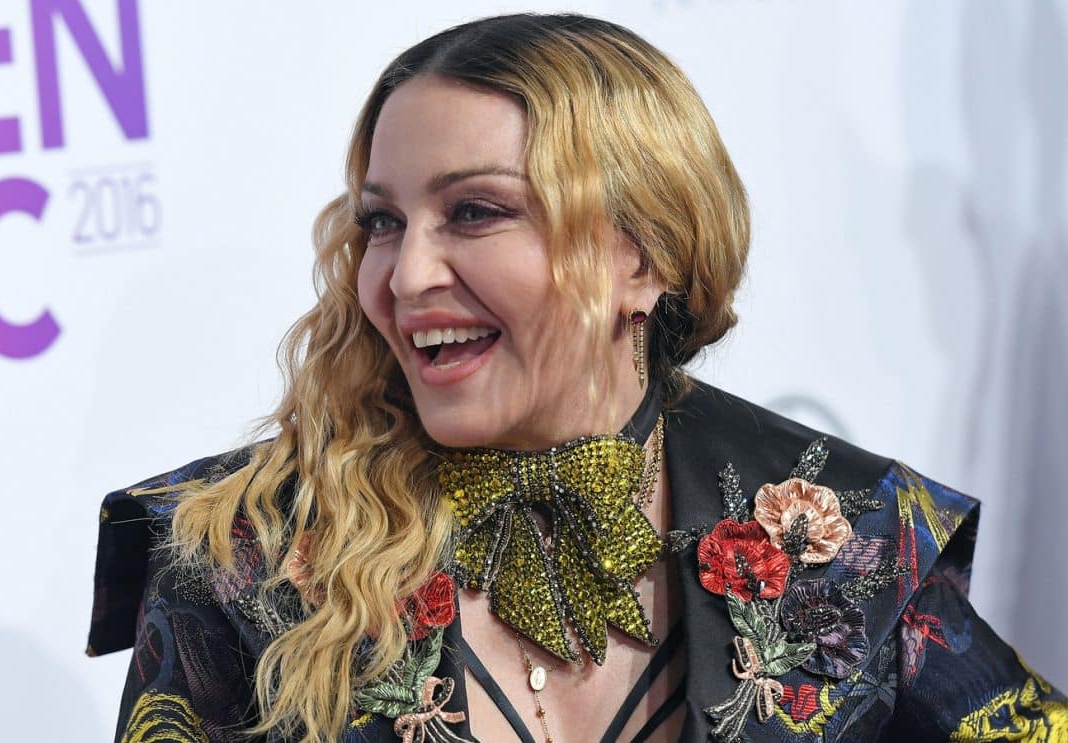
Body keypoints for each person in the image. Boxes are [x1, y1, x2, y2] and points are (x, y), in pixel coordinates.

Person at [87, 13, 1065, 743]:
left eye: (475, 212)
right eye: (383, 221)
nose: (406, 275)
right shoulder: (242, 553)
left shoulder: (844, 533)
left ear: (643, 258)